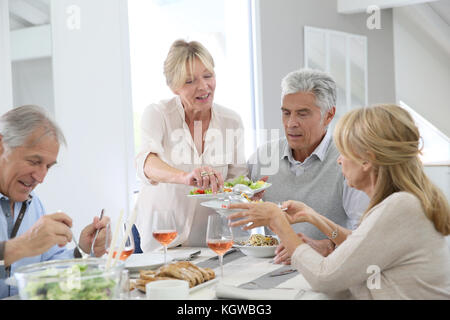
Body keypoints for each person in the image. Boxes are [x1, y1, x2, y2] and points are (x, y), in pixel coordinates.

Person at [229, 104, 450, 299]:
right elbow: (361, 247)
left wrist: (279, 223)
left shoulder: (400, 207)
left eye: (344, 152)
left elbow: (324, 277)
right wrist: (314, 218)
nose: (339, 160)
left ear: (367, 160)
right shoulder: (402, 203)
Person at [134, 39, 247, 252]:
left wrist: (246, 194)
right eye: (189, 81)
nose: (203, 86)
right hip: (158, 239)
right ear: (173, 87)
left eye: (208, 76)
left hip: (206, 241)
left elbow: (237, 179)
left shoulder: (232, 121)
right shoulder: (158, 114)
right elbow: (146, 162)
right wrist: (184, 177)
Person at [248, 68, 369, 260]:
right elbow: (237, 209)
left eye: (302, 114)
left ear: (329, 116)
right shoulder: (264, 156)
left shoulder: (348, 158)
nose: (291, 123)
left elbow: (365, 238)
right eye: (286, 113)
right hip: (273, 266)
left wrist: (328, 246)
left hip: (330, 268)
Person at [0, 105, 110, 299]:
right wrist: (21, 246)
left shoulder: (34, 204)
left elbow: (48, 267)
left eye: (48, 167)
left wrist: (82, 249)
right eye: (34, 162)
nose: (41, 177)